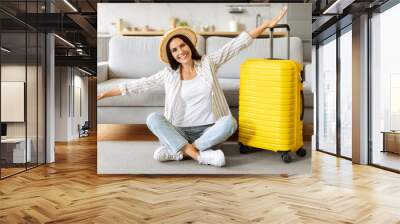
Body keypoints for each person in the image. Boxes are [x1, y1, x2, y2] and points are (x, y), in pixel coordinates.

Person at [97, 7, 288, 167]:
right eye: (175, 50)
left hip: (208, 130)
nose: (180, 51)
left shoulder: (208, 63)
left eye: (182, 45)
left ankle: (179, 151)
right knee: (153, 118)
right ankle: (200, 155)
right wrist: (104, 93)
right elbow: (137, 85)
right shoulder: (169, 74)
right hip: (178, 129)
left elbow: (236, 45)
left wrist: (266, 25)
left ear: (189, 45)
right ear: (171, 55)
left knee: (230, 123)